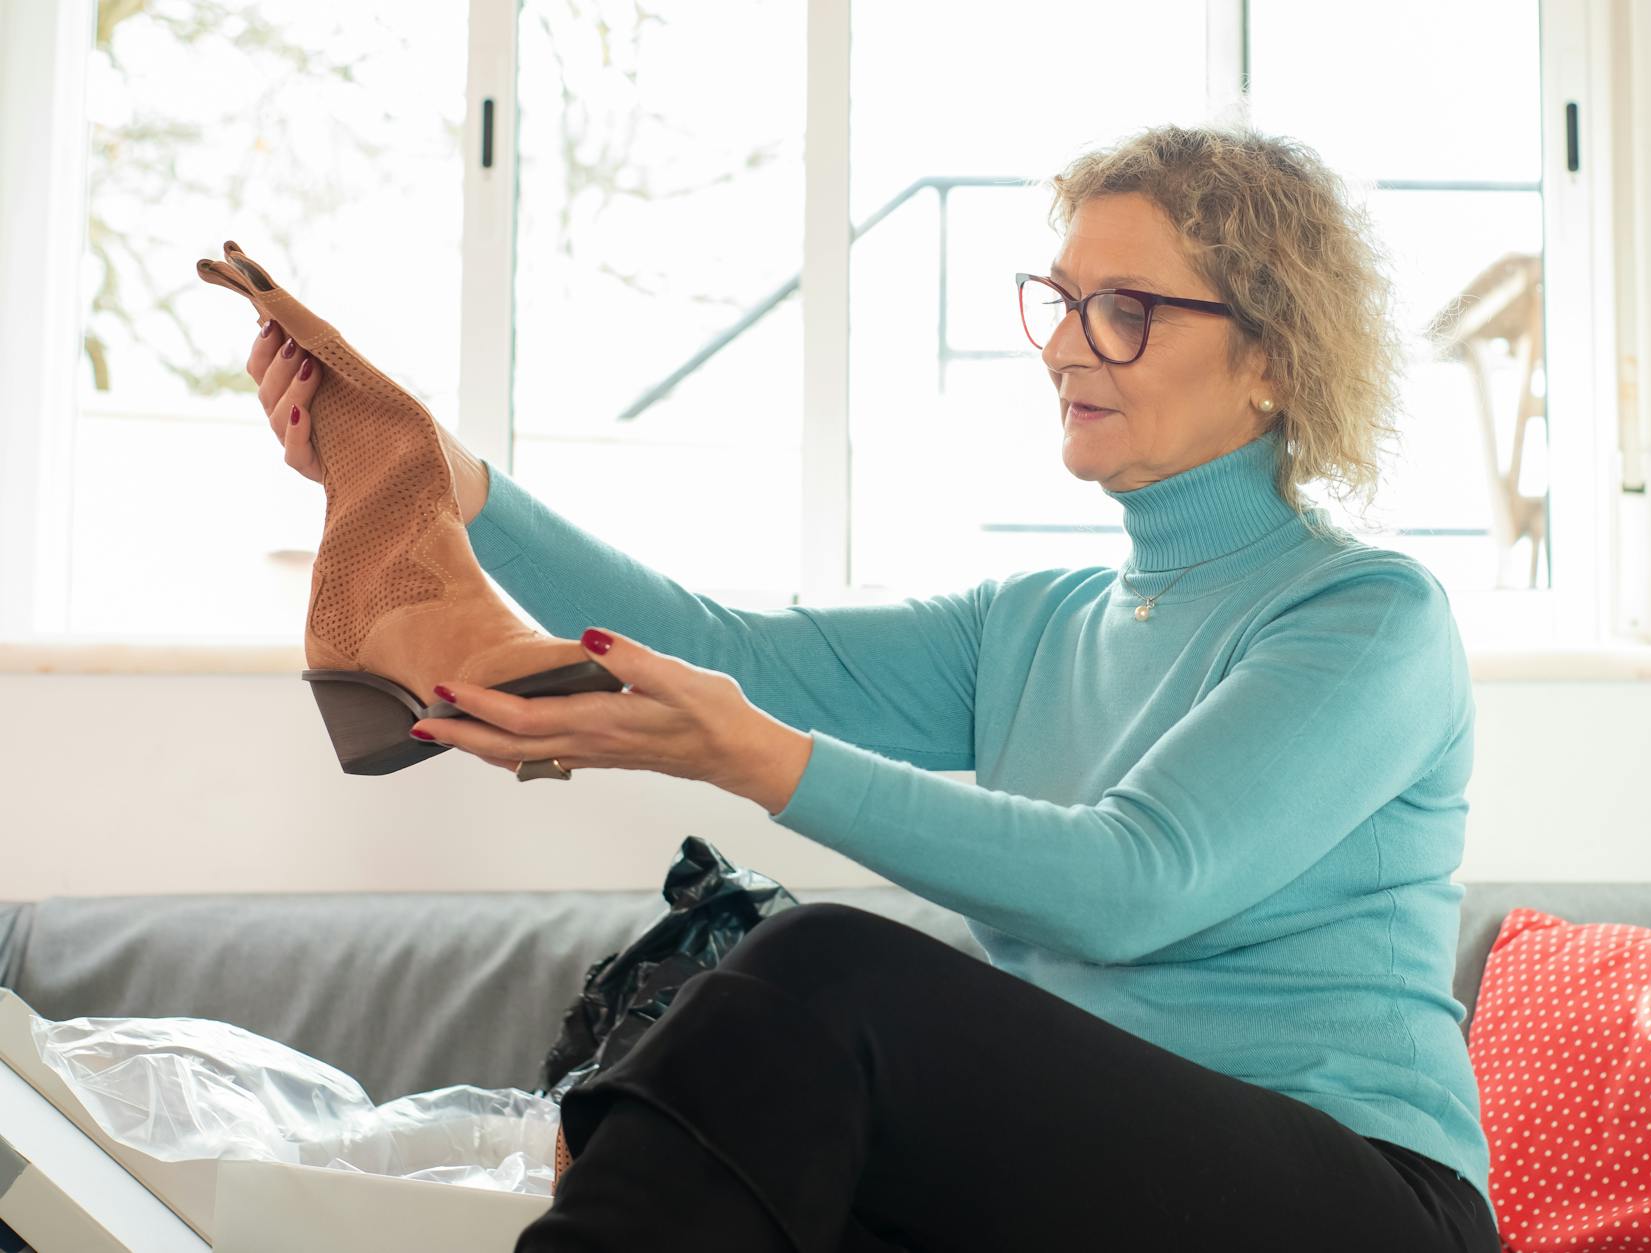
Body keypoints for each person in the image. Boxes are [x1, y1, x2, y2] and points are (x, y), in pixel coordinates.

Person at [248, 122, 1501, 1252]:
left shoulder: (1364, 616)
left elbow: (1132, 883)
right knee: (768, 1136)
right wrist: (439, 478)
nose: (1068, 345)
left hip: (1365, 1198)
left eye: (1124, 309)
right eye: (1061, 301)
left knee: (820, 971)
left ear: (1269, 355)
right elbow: (718, 647)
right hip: (1091, 1188)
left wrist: (748, 755)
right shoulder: (1035, 622)